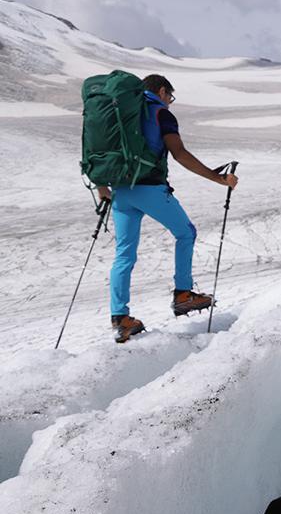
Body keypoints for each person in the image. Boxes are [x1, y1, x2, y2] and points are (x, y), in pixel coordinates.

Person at [97, 74, 239, 343]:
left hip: (120, 191)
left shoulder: (118, 114)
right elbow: (180, 154)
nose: (170, 103)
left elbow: (99, 152)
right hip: (149, 187)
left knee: (124, 255)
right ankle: (183, 294)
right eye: (170, 97)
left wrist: (102, 189)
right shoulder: (160, 113)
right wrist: (219, 179)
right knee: (186, 233)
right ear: (162, 91)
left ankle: (120, 318)